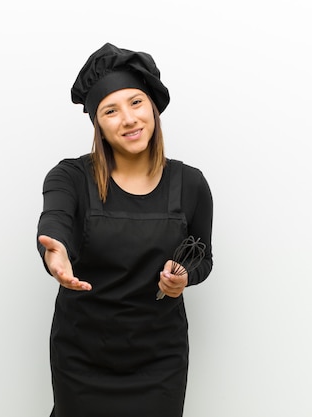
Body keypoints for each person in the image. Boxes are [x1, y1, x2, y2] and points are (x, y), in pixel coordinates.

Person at [36, 42, 214, 417]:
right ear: (97, 123)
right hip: (81, 357)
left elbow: (203, 258)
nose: (128, 119)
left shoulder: (191, 183)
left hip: (159, 360)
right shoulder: (70, 176)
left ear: (153, 107)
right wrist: (56, 251)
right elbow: (56, 221)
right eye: (111, 110)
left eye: (136, 102)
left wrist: (184, 278)